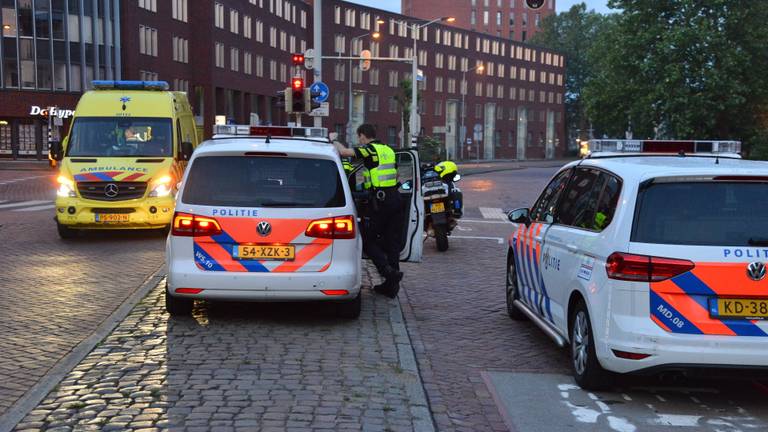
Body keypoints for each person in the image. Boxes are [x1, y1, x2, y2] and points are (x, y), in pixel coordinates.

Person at [334, 124, 403, 298]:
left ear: (363, 136)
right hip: (395, 199)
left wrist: (334, 140)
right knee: (392, 242)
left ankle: (387, 272)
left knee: (367, 239)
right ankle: (391, 285)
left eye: (360, 138)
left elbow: (344, 153)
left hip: (380, 202)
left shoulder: (370, 149)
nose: (360, 141)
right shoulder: (388, 150)